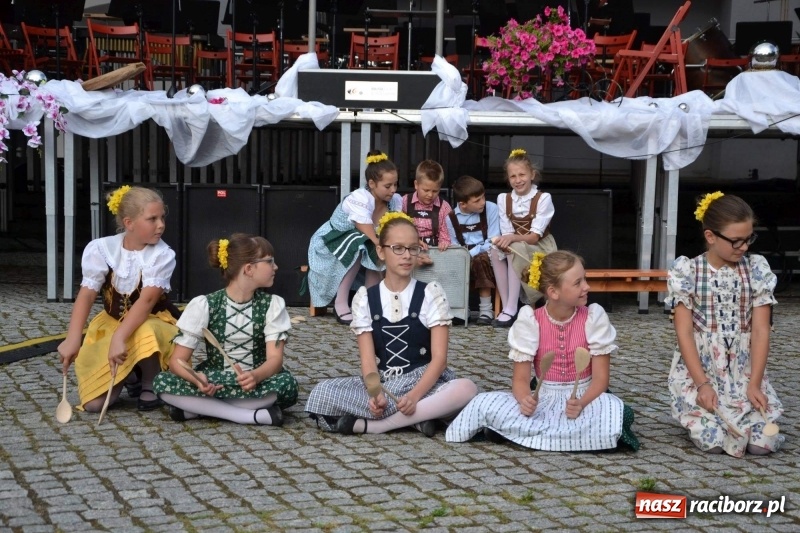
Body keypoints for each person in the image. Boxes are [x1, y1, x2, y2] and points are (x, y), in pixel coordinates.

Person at [446, 250, 639, 451]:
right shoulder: (531, 321)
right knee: (483, 403)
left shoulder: (594, 317)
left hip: (586, 396)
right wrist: (524, 400)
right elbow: (520, 380)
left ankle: (518, 433)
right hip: (545, 395)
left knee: (621, 412)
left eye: (585, 280)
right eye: (578, 283)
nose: (586, 287)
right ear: (553, 292)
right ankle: (566, 436)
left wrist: (581, 403)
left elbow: (601, 379)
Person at [305, 214, 478, 437]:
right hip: (386, 383)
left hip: (425, 384)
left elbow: (439, 360)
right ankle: (418, 419)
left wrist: (414, 397)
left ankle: (378, 425)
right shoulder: (365, 298)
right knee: (322, 393)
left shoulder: (430, 293)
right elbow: (368, 361)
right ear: (380, 251)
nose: (406, 256)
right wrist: (376, 393)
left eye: (413, 248)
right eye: (398, 248)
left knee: (466, 389)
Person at [668, 192, 784, 457]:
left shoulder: (756, 269)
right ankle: (702, 417)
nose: (743, 247)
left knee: (761, 445)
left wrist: (754, 383)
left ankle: (747, 414)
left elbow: (760, 329)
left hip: (741, 370)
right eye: (736, 241)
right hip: (702, 369)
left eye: (749, 239)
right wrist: (702, 384)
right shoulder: (688, 270)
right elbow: (684, 332)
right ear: (710, 236)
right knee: (716, 443)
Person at [57, 185, 180, 412]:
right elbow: (86, 294)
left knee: (145, 330)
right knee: (94, 405)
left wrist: (119, 339)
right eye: (152, 219)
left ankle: (150, 381)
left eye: (162, 217)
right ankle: (131, 373)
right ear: (128, 223)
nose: (161, 224)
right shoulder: (102, 249)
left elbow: (146, 303)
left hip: (151, 322)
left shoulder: (162, 255)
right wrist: (73, 338)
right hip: (112, 324)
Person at [153, 234, 298, 425]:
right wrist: (197, 380)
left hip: (258, 382)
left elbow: (275, 360)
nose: (275, 266)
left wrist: (255, 376)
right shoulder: (205, 304)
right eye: (269, 261)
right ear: (248, 269)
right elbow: (177, 361)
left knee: (286, 385)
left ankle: (196, 410)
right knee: (162, 382)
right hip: (216, 380)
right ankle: (247, 416)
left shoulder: (273, 305)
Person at [307, 150, 402, 325]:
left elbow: (396, 226)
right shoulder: (359, 198)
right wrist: (378, 243)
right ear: (372, 183)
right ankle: (341, 303)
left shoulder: (395, 201)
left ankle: (370, 303)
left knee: (374, 248)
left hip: (364, 242)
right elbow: (362, 225)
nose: (393, 190)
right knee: (362, 243)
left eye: (395, 185)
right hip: (331, 242)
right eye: (388, 186)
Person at [492, 148, 557, 326]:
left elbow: (535, 237)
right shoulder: (503, 199)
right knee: (494, 249)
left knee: (514, 246)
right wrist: (504, 241)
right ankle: (507, 305)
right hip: (516, 243)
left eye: (522, 174)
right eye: (513, 176)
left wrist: (511, 238)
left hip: (541, 246)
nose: (518, 180)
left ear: (532, 174)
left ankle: (512, 307)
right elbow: (506, 233)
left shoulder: (543, 198)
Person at [445, 175, 501, 326]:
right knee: (453, 263)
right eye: (477, 201)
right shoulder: (450, 218)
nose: (482, 202)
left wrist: (471, 253)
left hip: (487, 253)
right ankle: (462, 309)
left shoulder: (491, 208)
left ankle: (485, 310)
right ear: (463, 204)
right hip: (462, 254)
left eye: (483, 197)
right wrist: (462, 255)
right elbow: (454, 244)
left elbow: (493, 239)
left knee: (480, 260)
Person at [401, 159, 453, 266]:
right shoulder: (404, 202)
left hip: (435, 253)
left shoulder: (444, 207)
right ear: (416, 184)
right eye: (426, 190)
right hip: (408, 252)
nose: (430, 195)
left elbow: (446, 235)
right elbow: (399, 228)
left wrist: (444, 243)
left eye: (435, 191)